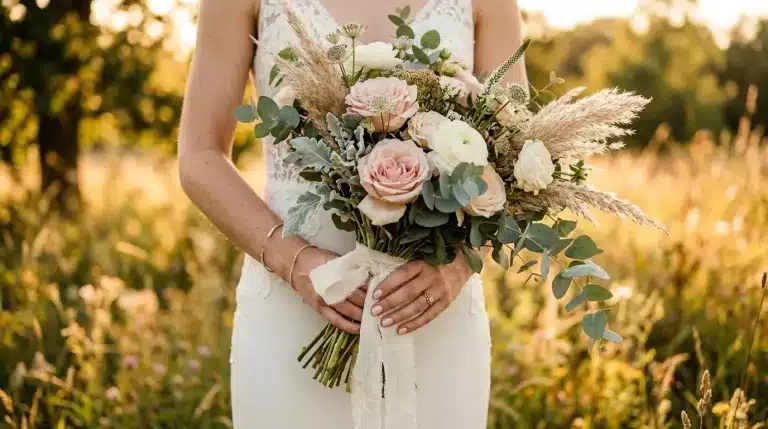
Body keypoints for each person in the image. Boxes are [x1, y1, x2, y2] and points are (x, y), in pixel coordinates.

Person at [178, 0, 528, 427]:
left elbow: (518, 156)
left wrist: (456, 268)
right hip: (292, 311)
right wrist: (296, 263)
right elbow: (200, 156)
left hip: (430, 312)